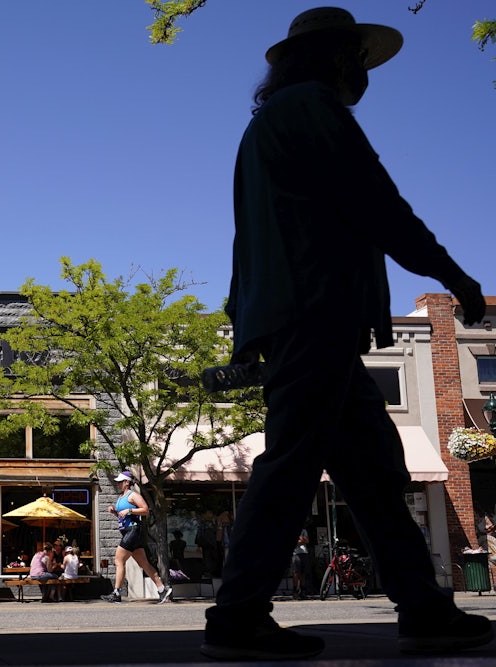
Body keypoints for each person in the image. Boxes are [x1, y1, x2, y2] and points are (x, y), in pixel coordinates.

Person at [201, 7, 492, 660]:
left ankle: (422, 608)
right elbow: (379, 204)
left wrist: (245, 328)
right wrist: (453, 274)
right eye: (355, 58)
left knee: (372, 470)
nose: (363, 72)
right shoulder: (312, 108)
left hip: (300, 316)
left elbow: (247, 245)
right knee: (295, 462)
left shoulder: (270, 123)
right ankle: (238, 615)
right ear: (333, 59)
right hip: (315, 313)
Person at [100, 471, 172, 604]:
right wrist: (115, 512)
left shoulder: (133, 495)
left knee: (118, 560)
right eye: (118, 482)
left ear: (127, 482)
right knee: (143, 563)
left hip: (133, 530)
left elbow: (145, 509)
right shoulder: (121, 497)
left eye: (121, 482)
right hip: (129, 531)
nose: (118, 484)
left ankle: (116, 593)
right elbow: (122, 517)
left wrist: (130, 510)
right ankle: (162, 589)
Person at [291, 529, 310, 600]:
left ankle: (303, 591)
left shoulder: (304, 530)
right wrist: (302, 540)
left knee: (303, 573)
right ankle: (295, 590)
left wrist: (301, 538)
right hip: (296, 554)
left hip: (304, 553)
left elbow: (307, 541)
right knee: (295, 573)